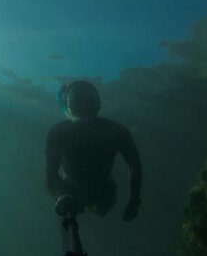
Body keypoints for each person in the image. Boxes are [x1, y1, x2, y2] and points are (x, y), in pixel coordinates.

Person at [45, 80, 142, 221]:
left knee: (97, 210)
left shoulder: (59, 132)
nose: (84, 108)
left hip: (87, 193)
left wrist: (60, 194)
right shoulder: (116, 131)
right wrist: (134, 199)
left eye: (88, 102)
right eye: (78, 102)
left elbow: (50, 171)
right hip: (96, 193)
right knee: (99, 210)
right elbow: (135, 165)